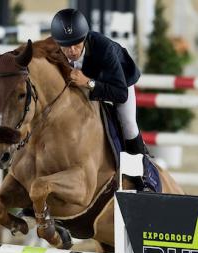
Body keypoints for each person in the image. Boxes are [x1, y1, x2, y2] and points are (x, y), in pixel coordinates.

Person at [51, 8, 155, 191]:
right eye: (66, 46)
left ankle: (142, 177)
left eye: (77, 44)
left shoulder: (103, 48)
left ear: (84, 38)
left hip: (118, 82)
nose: (72, 51)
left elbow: (120, 93)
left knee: (129, 124)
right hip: (84, 84)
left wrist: (88, 83)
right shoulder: (56, 51)